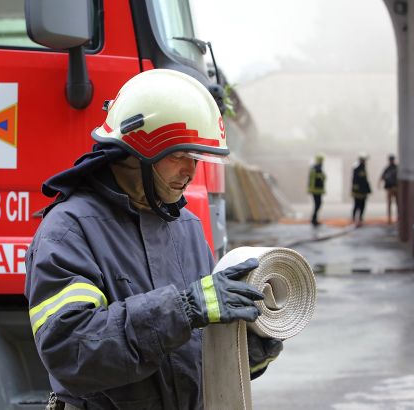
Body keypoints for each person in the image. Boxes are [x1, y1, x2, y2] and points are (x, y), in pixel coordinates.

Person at [24, 69, 283, 410]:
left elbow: (203, 360)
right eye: (178, 156)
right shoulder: (70, 230)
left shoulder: (187, 227)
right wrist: (184, 309)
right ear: (134, 153)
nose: (190, 171)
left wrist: (257, 341)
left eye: (196, 159)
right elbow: (71, 351)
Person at [351, 153, 371, 227]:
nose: (365, 162)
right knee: (357, 205)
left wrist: (368, 189)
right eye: (364, 160)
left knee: (363, 205)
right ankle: (353, 218)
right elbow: (354, 181)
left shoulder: (364, 169)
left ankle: (360, 218)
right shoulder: (356, 169)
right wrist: (354, 190)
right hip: (358, 192)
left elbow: (365, 180)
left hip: (363, 191)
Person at [378, 154, 398, 224]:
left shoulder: (396, 168)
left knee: (397, 204)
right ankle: (389, 219)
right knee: (389, 204)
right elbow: (382, 177)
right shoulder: (387, 168)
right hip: (389, 188)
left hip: (396, 188)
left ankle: (398, 218)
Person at [307, 153, 326, 226]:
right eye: (321, 160)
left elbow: (322, 179)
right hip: (315, 190)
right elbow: (312, 180)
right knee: (317, 204)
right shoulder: (315, 168)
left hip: (318, 190)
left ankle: (314, 219)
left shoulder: (319, 169)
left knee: (318, 205)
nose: (322, 162)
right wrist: (311, 189)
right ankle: (314, 220)